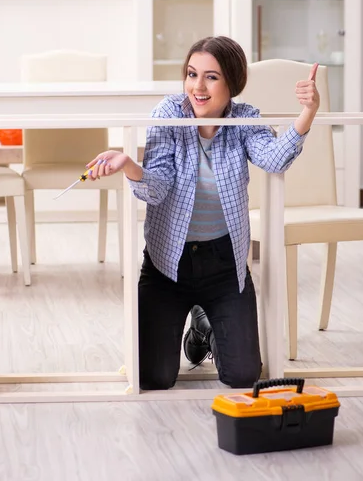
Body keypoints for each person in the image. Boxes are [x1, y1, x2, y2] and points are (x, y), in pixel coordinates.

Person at [86, 36, 320, 390]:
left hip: (225, 266)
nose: (198, 86)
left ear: (232, 82)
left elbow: (274, 159)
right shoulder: (168, 114)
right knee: (153, 377)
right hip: (168, 266)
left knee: (242, 376)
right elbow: (158, 188)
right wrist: (130, 165)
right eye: (192, 74)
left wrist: (308, 113)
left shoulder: (245, 119)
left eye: (211, 77)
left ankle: (205, 326)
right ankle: (199, 322)